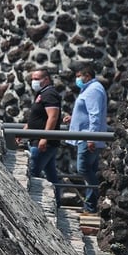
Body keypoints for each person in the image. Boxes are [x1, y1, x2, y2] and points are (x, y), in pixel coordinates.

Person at [63, 63, 108, 213]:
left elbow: (94, 115)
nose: (77, 80)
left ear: (87, 76)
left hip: (87, 137)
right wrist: (74, 117)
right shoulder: (89, 89)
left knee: (82, 169)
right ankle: (91, 206)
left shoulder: (93, 90)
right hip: (86, 135)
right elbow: (87, 112)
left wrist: (91, 137)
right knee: (90, 170)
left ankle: (101, 195)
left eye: (78, 76)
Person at [18, 68, 61, 205]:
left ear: (46, 79)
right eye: (32, 79)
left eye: (37, 78)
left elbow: (53, 117)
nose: (33, 81)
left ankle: (31, 204)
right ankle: (57, 202)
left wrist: (44, 138)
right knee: (51, 175)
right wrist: (24, 132)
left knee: (33, 173)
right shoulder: (41, 93)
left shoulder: (49, 94)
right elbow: (36, 117)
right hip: (38, 140)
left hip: (42, 143)